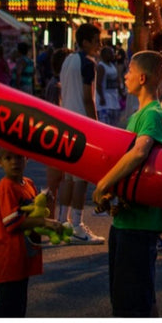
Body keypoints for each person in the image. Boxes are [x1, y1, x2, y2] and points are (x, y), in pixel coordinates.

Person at [93, 50, 162, 316]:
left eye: (128, 71)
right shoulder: (139, 115)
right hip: (127, 219)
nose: (124, 76)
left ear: (142, 78)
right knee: (127, 295)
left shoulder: (152, 114)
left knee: (134, 300)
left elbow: (140, 152)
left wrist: (103, 184)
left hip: (139, 225)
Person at [50, 23, 105, 244]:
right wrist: (96, 126)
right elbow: (87, 97)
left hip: (66, 122)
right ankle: (77, 226)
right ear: (85, 42)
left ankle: (64, 221)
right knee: (81, 179)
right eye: (96, 40)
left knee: (68, 177)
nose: (99, 45)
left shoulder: (68, 60)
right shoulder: (87, 63)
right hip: (82, 125)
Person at [0, 147, 60, 317]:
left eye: (19, 157)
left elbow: (35, 210)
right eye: (8, 158)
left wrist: (46, 200)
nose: (15, 162)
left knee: (19, 305)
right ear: (0, 162)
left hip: (22, 257)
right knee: (9, 307)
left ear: (27, 158)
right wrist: (46, 223)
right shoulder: (6, 186)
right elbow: (12, 222)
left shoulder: (28, 183)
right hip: (10, 259)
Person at [97, 45, 125, 126]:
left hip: (114, 102)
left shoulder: (112, 66)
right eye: (110, 53)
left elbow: (117, 81)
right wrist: (101, 97)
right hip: (105, 104)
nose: (113, 55)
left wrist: (121, 93)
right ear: (104, 55)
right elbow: (98, 83)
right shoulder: (101, 66)